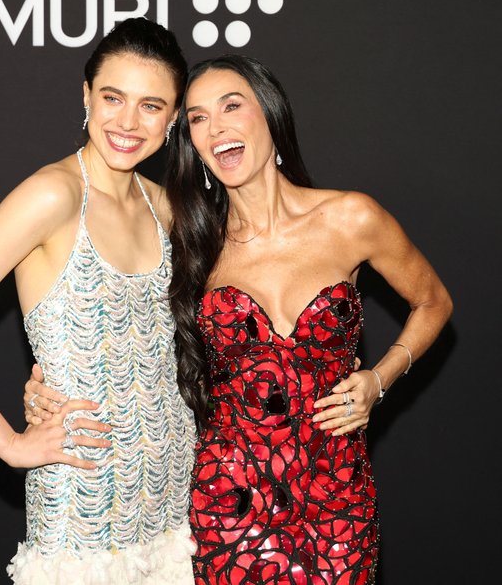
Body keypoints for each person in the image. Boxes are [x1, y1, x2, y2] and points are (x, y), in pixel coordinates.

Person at [0, 18, 197, 585]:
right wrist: (11, 445)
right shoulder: (53, 196)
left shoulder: (168, 207)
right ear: (86, 96)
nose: (128, 123)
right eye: (113, 98)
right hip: (82, 497)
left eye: (151, 106)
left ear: (175, 116)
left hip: (172, 492)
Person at [164, 55, 453, 584]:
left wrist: (377, 380)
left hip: (336, 491)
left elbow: (433, 301)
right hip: (230, 500)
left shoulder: (350, 218)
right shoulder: (189, 246)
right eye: (198, 118)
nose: (216, 127)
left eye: (232, 105)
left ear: (271, 115)